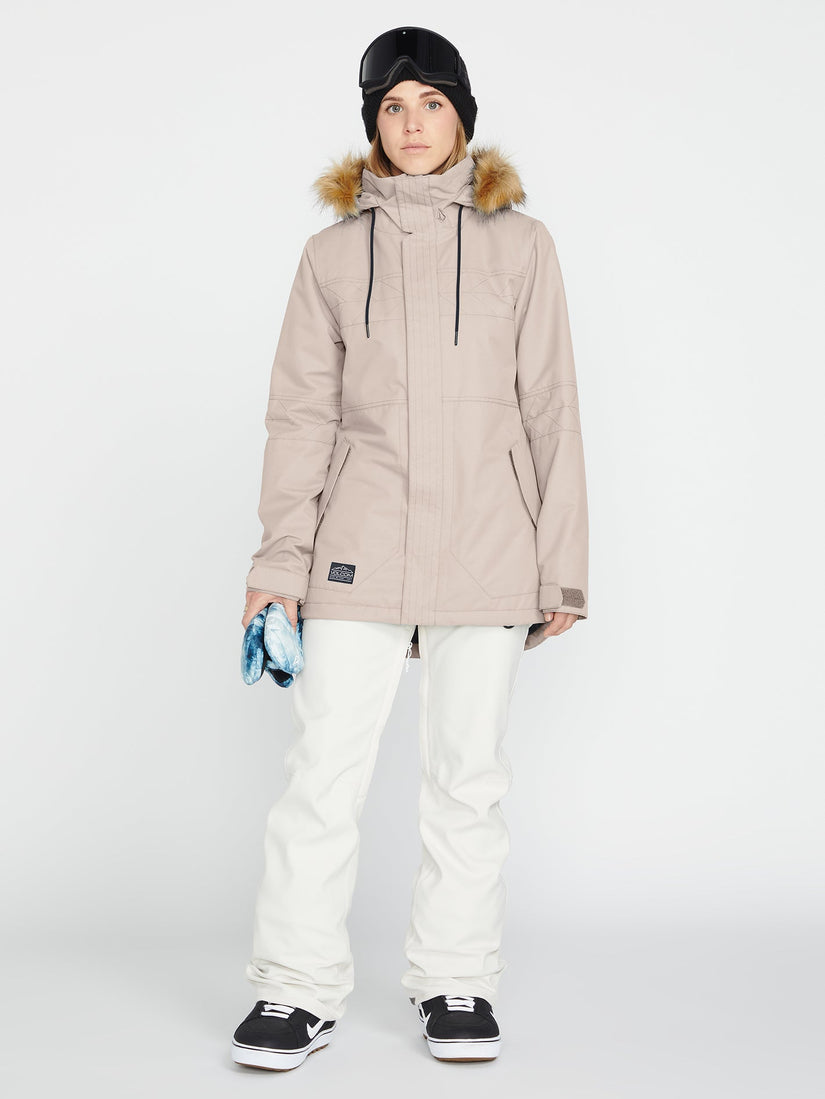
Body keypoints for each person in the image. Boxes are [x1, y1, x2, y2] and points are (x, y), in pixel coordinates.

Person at [231, 25, 589, 1071]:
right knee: (321, 777)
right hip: (357, 549)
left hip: (489, 545)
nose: (413, 122)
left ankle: (455, 979)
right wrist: (277, 572)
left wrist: (561, 567)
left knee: (467, 781)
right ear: (372, 125)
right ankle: (295, 988)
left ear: (462, 116)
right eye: (392, 106)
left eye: (432, 102)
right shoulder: (332, 257)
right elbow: (300, 420)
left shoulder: (524, 246)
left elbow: (552, 408)